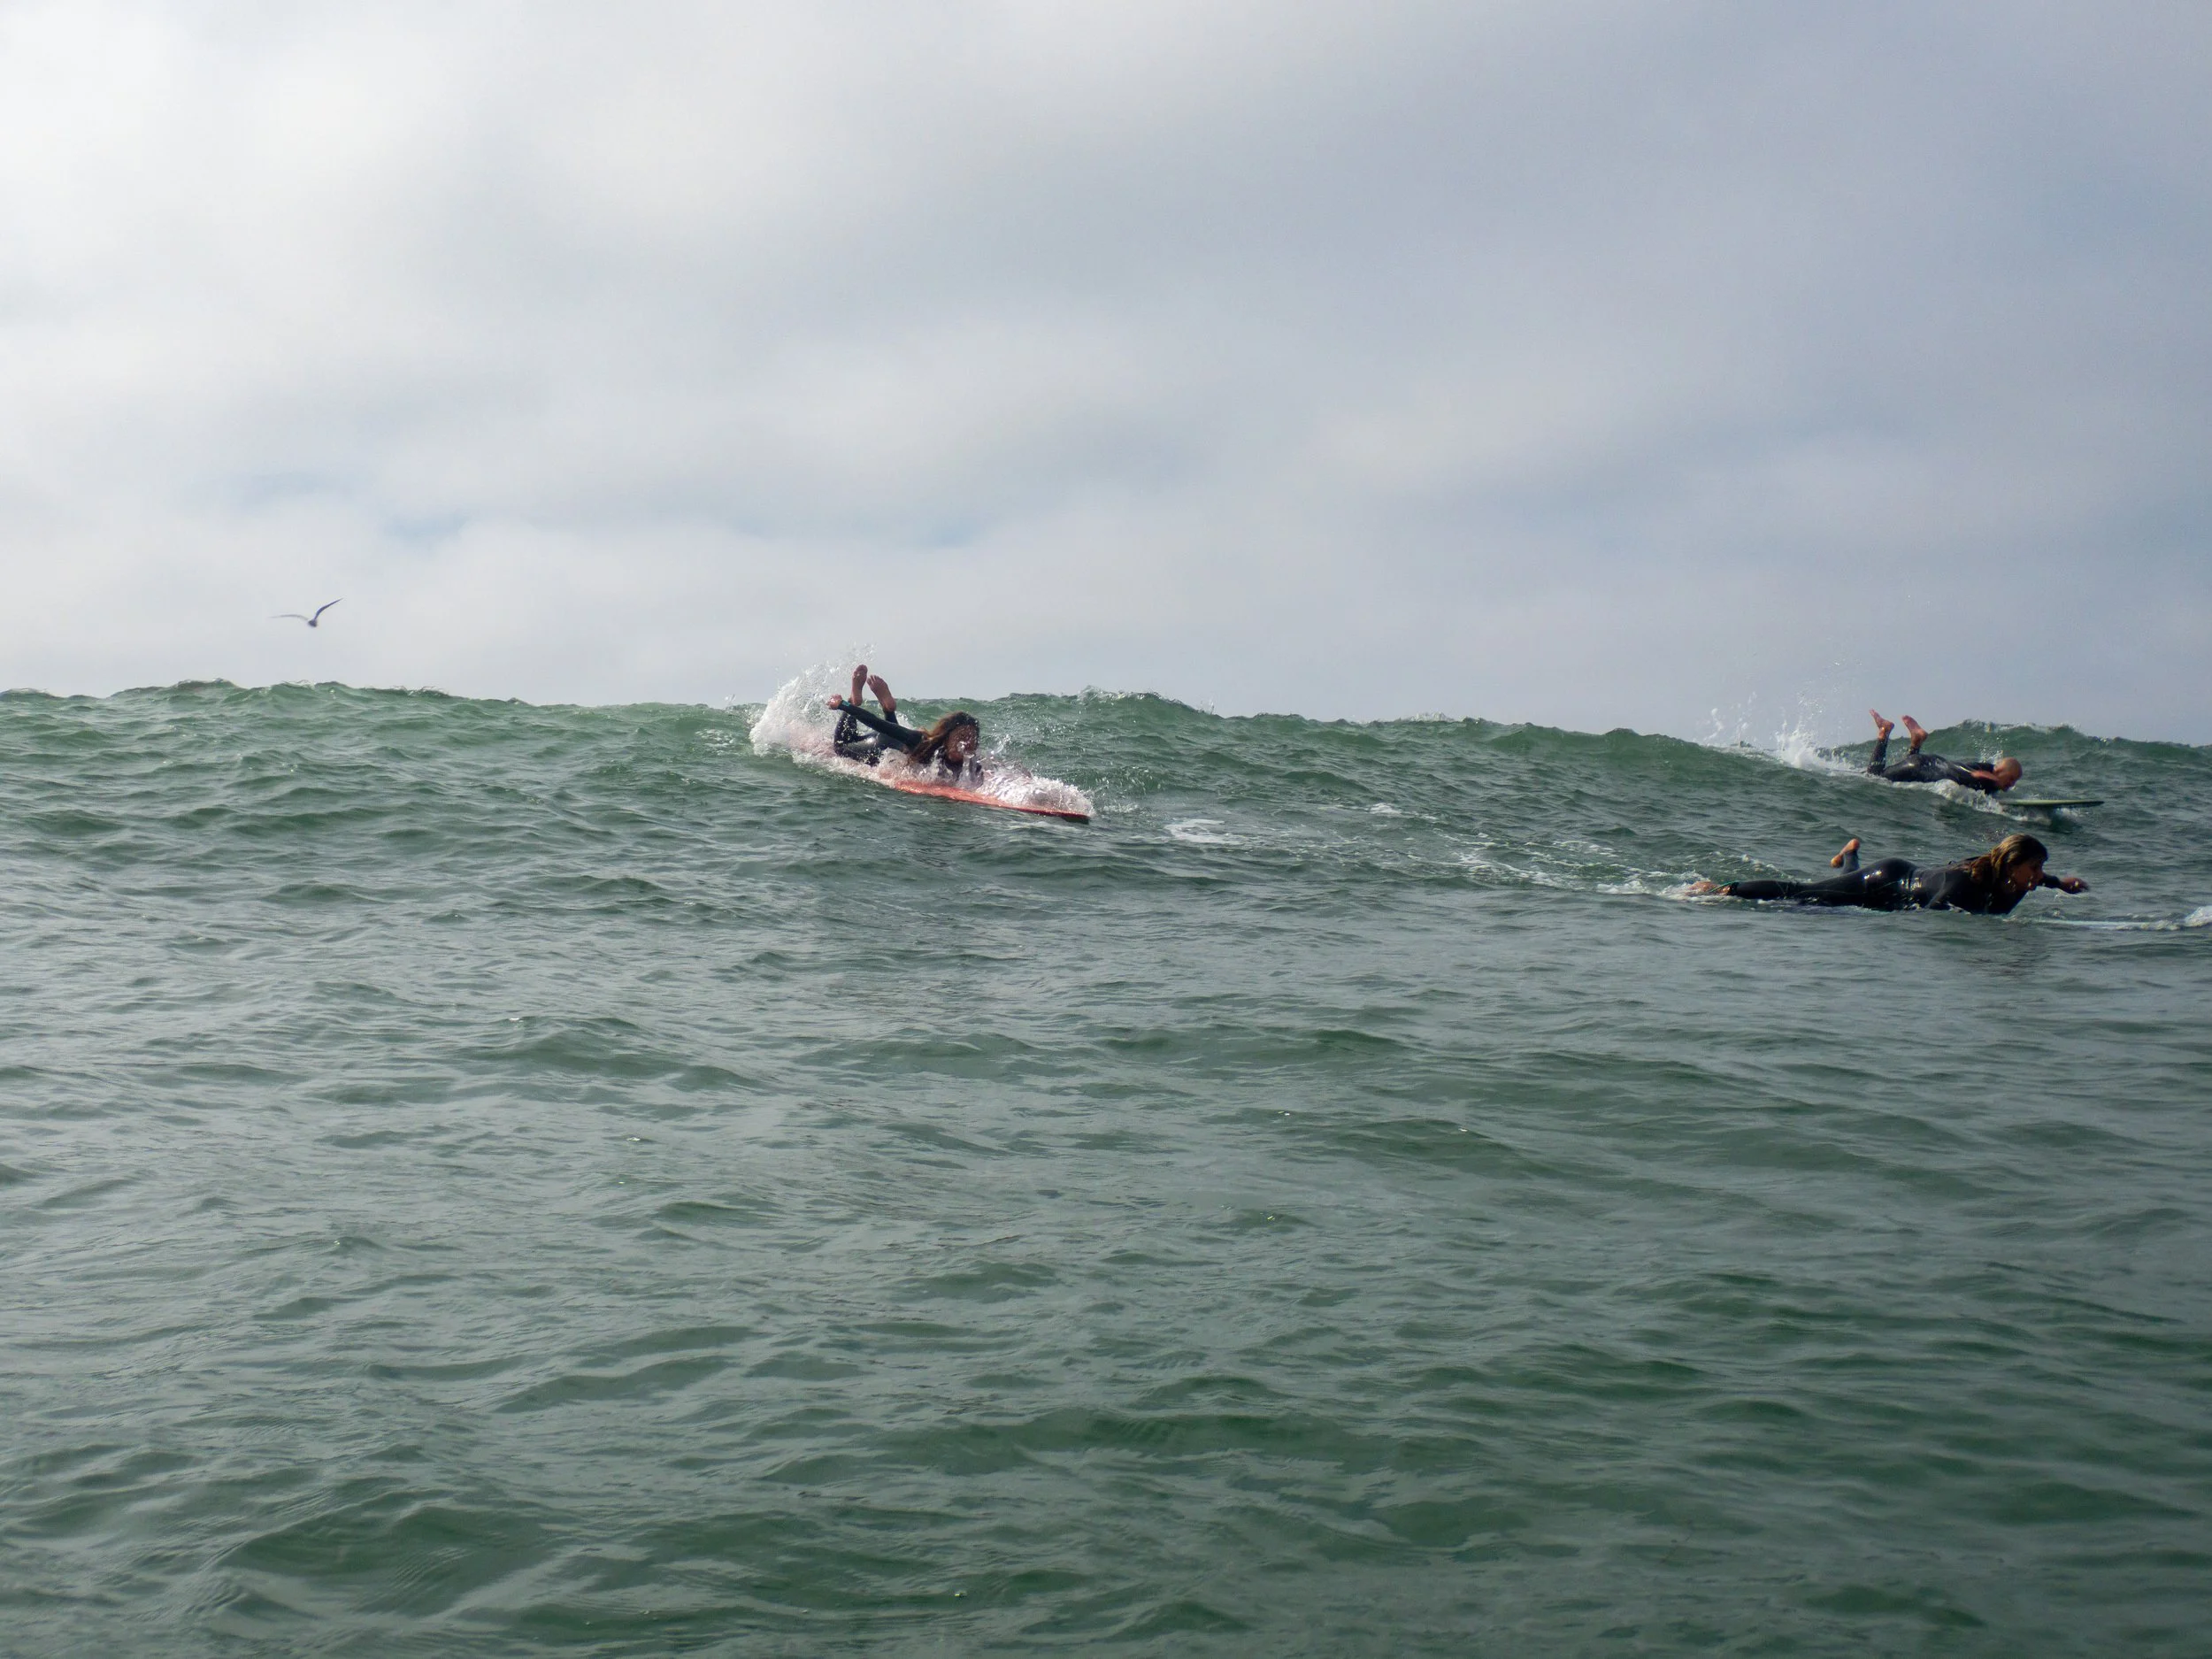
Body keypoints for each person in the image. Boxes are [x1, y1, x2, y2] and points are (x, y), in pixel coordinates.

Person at [1690, 833, 2086, 915]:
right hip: (1889, 882)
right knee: (1806, 895)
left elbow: (2041, 881)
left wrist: (2059, 884)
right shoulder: (1969, 883)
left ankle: (1850, 852)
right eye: (2035, 867)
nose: (2040, 875)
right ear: (2012, 865)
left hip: (1892, 887)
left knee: (1829, 892)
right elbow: (1938, 908)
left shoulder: (2010, 879)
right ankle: (1720, 889)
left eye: (2042, 869)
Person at [826, 665, 984, 781]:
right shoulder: (922, 741)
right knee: (840, 747)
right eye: (962, 736)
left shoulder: (971, 764)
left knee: (894, 735)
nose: (966, 743)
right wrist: (841, 705)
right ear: (947, 737)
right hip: (878, 747)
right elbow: (877, 723)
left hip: (892, 740)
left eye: (972, 739)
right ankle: (854, 701)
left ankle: (888, 709)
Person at [1864, 710, 2022, 794]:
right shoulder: (1986, 777)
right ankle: (1885, 731)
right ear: (1999, 771)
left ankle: (1916, 740)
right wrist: (1978, 776)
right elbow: (1969, 772)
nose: (2012, 784)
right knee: (1874, 776)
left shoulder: (1989, 772)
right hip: (1919, 765)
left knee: (1909, 773)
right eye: (2011, 778)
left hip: (1925, 764)